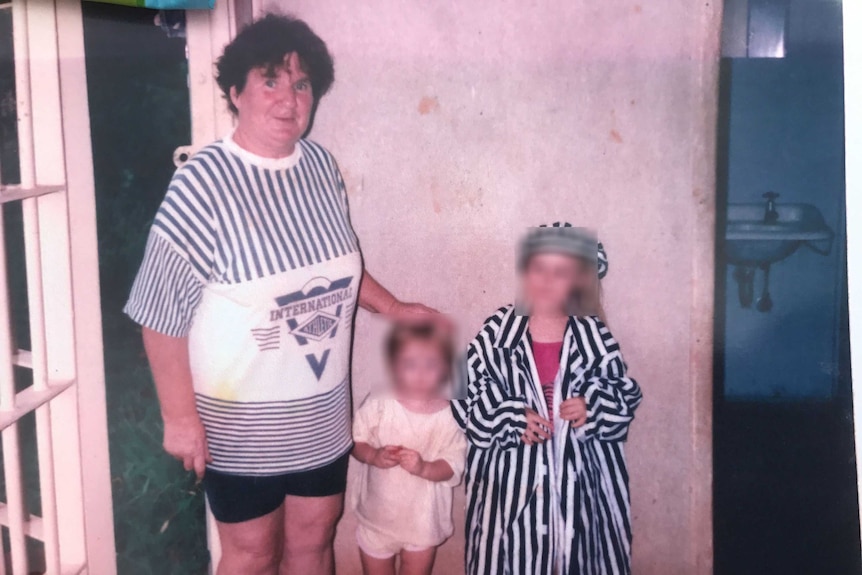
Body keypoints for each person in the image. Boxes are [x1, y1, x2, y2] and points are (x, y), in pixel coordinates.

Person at [124, 14, 434, 575]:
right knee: (250, 557)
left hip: (320, 417)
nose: (289, 98)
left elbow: (334, 267)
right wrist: (180, 418)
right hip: (243, 428)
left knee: (313, 549)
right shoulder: (204, 183)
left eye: (302, 83)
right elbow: (158, 312)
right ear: (235, 91)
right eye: (270, 80)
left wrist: (391, 307)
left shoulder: (319, 167)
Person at [453, 222, 643, 575]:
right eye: (538, 268)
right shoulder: (499, 327)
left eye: (560, 272)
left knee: (577, 554)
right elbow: (461, 386)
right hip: (510, 485)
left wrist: (593, 407)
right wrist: (508, 416)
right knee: (510, 558)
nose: (545, 280)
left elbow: (623, 393)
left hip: (579, 485)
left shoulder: (592, 334)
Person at [350, 322, 466, 575]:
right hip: (377, 518)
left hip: (422, 524)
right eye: (411, 364)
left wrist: (424, 467)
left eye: (431, 364)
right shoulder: (381, 401)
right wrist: (373, 455)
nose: (421, 373)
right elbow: (356, 441)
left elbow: (452, 465)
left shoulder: (450, 415)